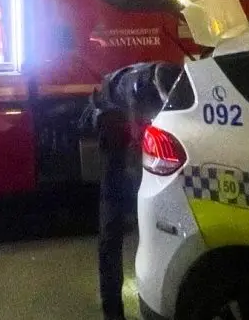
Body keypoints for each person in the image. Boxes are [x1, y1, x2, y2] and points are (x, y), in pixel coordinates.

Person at [83, 61, 180, 320]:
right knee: (112, 224)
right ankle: (112, 312)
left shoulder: (169, 77)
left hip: (123, 121)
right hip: (111, 124)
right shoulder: (138, 87)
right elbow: (138, 136)